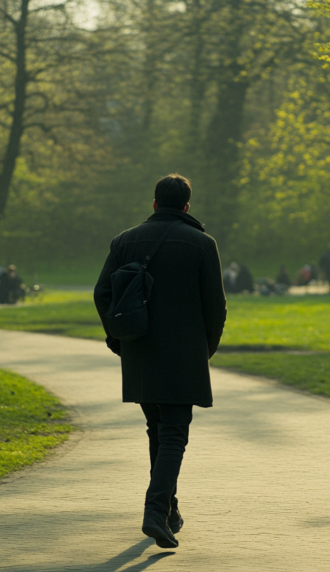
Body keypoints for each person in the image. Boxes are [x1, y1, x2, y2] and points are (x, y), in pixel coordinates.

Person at [93, 173, 227, 549]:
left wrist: (120, 338)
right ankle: (155, 511)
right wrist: (205, 351)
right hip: (183, 356)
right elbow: (215, 307)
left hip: (140, 352)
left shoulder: (124, 241)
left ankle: (169, 510)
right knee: (173, 434)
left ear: (154, 204)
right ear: (187, 206)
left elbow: (102, 293)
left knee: (158, 430)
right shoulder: (202, 244)